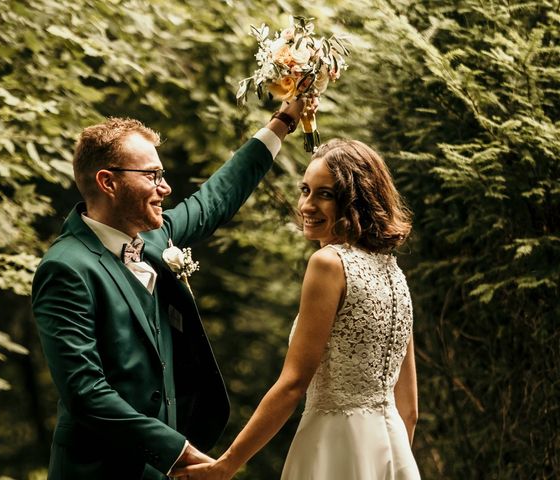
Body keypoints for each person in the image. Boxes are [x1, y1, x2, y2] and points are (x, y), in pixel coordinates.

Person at [31, 99, 314, 479]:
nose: (165, 187)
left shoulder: (153, 237)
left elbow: (214, 199)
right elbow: (84, 392)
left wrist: (282, 122)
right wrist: (177, 451)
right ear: (107, 182)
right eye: (152, 175)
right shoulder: (65, 268)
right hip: (99, 471)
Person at [173, 139, 420, 479]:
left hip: (333, 446)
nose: (306, 204)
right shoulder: (393, 272)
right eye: (305, 190)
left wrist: (226, 464)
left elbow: (293, 384)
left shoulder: (329, 263)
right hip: (392, 450)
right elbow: (410, 410)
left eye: (326, 194)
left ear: (356, 201)